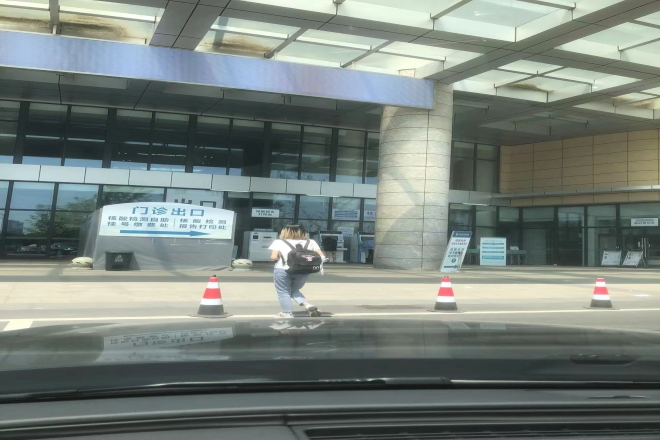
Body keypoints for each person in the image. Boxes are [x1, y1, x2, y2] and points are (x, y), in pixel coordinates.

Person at [269, 224, 326, 318]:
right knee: (294, 290)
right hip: (302, 270)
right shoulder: (311, 242)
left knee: (283, 291)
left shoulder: (278, 242)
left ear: (285, 231)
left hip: (282, 269)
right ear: (303, 232)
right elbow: (322, 256)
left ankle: (287, 313)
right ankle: (308, 305)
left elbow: (273, 257)